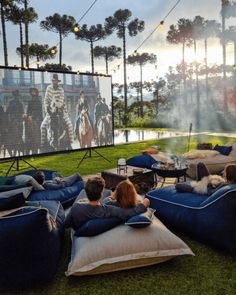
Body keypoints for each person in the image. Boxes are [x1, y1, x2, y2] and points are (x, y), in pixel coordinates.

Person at [64, 176, 150, 230]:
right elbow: (130, 213)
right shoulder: (108, 210)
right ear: (101, 193)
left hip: (83, 208)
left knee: (108, 193)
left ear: (87, 193)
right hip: (98, 203)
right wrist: (144, 203)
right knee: (109, 193)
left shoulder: (76, 207)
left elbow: (66, 224)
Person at [40, 73, 74, 149]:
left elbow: (61, 102)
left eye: (56, 81)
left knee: (69, 124)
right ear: (52, 81)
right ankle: (42, 145)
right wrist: (47, 108)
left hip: (60, 111)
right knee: (42, 126)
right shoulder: (48, 88)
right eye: (53, 81)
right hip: (50, 112)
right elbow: (45, 100)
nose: (54, 82)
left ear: (58, 82)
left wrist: (55, 105)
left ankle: (70, 143)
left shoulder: (61, 89)